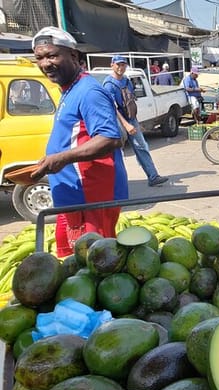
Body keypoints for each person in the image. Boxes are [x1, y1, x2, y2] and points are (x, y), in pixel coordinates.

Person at [30, 27, 128, 258]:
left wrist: (60, 158)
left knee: (97, 263)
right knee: (72, 261)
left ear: (73, 56)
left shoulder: (89, 91)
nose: (46, 64)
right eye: (40, 58)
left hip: (92, 197)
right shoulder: (68, 89)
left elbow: (109, 138)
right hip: (73, 197)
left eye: (53, 55)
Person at [103, 55, 168, 187]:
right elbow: (113, 109)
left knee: (142, 147)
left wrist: (135, 123)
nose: (121, 67)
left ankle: (153, 176)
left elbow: (130, 102)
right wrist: (126, 125)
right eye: (118, 65)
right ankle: (117, 182)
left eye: (123, 65)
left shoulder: (126, 81)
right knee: (118, 152)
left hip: (131, 119)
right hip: (118, 122)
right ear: (112, 65)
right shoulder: (108, 85)